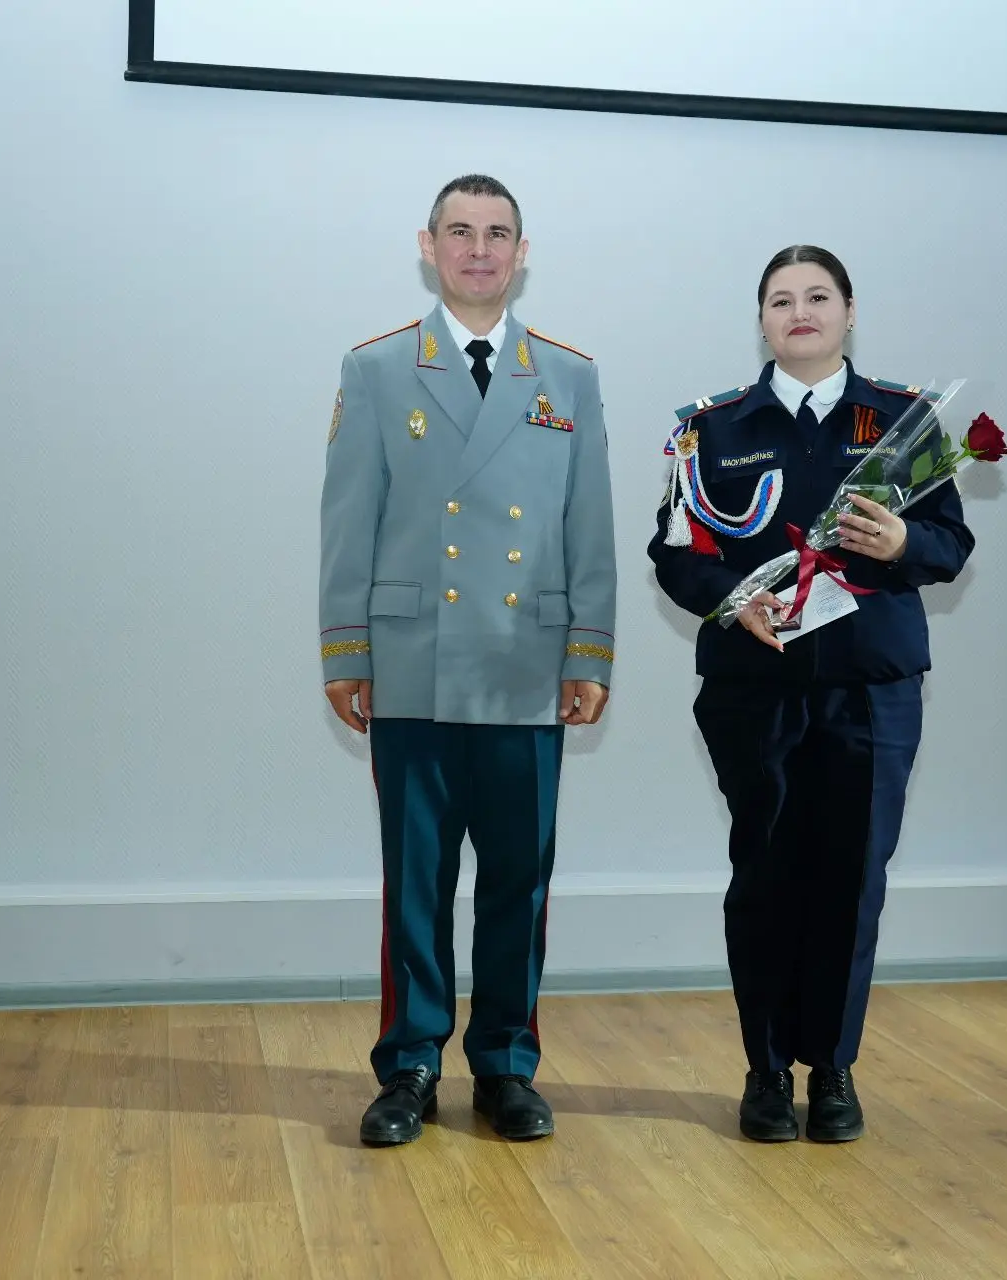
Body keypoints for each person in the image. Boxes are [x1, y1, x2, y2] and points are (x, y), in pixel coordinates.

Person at [646, 245, 973, 1143]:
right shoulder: (711, 429)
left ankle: (832, 1069)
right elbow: (674, 553)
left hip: (872, 688)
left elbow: (951, 546)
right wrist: (731, 599)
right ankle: (764, 1070)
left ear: (849, 311)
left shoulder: (903, 420)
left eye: (818, 296)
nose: (801, 313)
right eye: (782, 300)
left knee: (851, 879)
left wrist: (903, 543)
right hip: (755, 689)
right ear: (761, 321)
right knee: (765, 876)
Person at [319, 174, 617, 1146]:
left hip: (525, 666)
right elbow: (348, 520)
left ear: (522, 253)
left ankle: (505, 1064)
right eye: (460, 231)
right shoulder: (377, 369)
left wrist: (589, 650)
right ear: (428, 245)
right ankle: (410, 1063)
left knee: (518, 881)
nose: (478, 249)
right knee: (416, 881)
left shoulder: (568, 376)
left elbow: (589, 525)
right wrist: (346, 647)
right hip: (414, 660)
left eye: (497, 234)